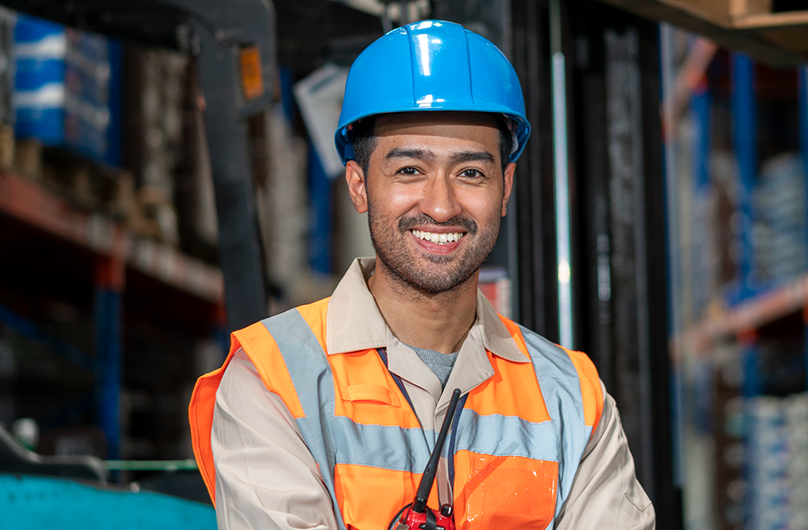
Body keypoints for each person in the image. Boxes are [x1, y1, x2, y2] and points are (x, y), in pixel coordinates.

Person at [189, 20, 655, 530]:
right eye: (410, 170)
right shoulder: (273, 381)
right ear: (360, 185)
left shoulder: (573, 400)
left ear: (505, 188)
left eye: (471, 172)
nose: (440, 205)